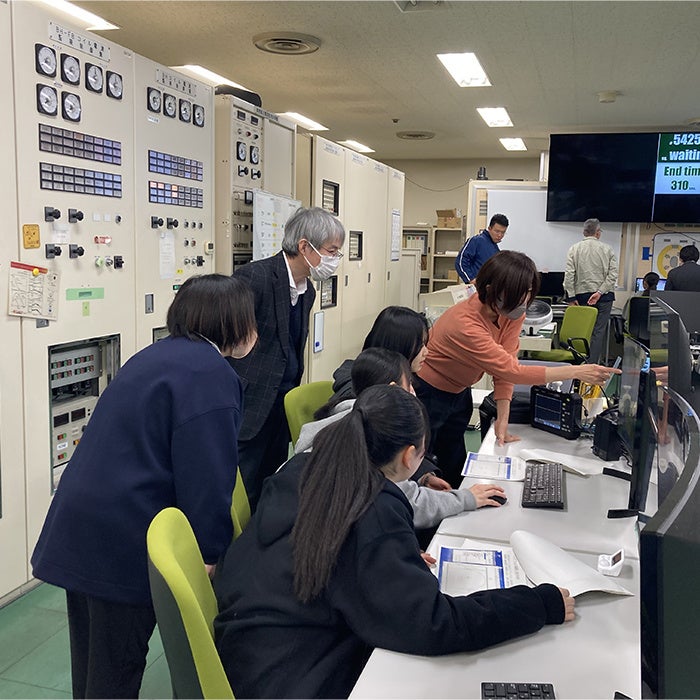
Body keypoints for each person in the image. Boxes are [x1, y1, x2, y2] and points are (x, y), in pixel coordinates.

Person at [214, 385, 575, 700]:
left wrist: (389, 557)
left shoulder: (303, 471)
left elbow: (330, 549)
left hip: (251, 655)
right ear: (408, 456)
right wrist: (539, 604)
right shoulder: (373, 509)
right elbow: (434, 625)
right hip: (299, 680)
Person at [31, 274, 258, 699]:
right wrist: (208, 553)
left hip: (83, 521)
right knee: (116, 668)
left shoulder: (155, 355)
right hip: (122, 537)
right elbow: (208, 474)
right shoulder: (210, 375)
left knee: (93, 662)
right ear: (232, 322)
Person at [415, 250, 620, 487]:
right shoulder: (465, 323)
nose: (524, 301)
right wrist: (575, 371)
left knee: (453, 461)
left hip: (460, 391)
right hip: (429, 392)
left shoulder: (510, 312)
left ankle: (455, 503)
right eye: (517, 293)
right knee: (423, 463)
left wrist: (503, 419)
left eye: (528, 293)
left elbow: (505, 364)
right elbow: (511, 370)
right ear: (491, 289)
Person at [295, 348, 506, 535]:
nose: (413, 390)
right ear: (393, 388)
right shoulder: (372, 437)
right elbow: (407, 501)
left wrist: (422, 477)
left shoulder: (352, 416)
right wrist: (466, 498)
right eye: (410, 384)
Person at [229, 206, 346, 510]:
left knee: (272, 480)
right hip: (250, 403)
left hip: (282, 400)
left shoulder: (308, 291)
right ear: (304, 247)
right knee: (242, 485)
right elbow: (227, 343)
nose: (335, 259)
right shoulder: (254, 278)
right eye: (331, 251)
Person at [331, 305, 429, 402]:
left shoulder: (408, 380)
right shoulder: (359, 395)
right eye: (420, 345)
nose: (426, 352)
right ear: (400, 344)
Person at [563, 218, 619, 364]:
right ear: (598, 233)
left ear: (584, 232)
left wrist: (571, 297)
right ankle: (592, 365)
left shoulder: (574, 249)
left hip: (581, 297)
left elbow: (569, 275)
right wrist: (600, 292)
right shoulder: (608, 249)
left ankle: (579, 364)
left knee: (581, 331)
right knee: (598, 332)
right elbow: (613, 275)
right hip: (604, 297)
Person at [454, 212, 509, 283]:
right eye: (497, 231)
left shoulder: (496, 249)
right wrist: (470, 279)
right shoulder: (476, 241)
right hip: (476, 286)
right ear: (489, 228)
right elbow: (460, 262)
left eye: (503, 232)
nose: (500, 235)